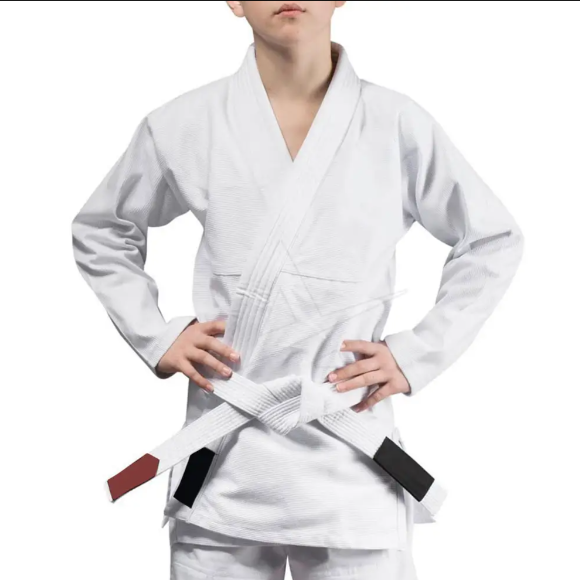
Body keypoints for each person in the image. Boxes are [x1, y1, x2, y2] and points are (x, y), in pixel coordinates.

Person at [70, 1, 525, 578]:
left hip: (351, 455)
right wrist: (156, 337)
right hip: (224, 456)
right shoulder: (186, 122)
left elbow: (492, 238)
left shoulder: (395, 123)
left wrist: (415, 355)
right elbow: (102, 228)